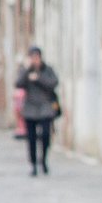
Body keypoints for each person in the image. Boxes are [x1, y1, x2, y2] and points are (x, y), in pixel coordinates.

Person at [17, 46, 60, 174]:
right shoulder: (26, 71)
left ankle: (44, 160)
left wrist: (38, 78)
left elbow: (53, 83)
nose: (35, 60)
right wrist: (27, 70)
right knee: (31, 138)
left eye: (37, 57)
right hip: (30, 108)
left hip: (45, 108)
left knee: (46, 135)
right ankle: (33, 164)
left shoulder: (47, 70)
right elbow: (18, 83)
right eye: (32, 57)